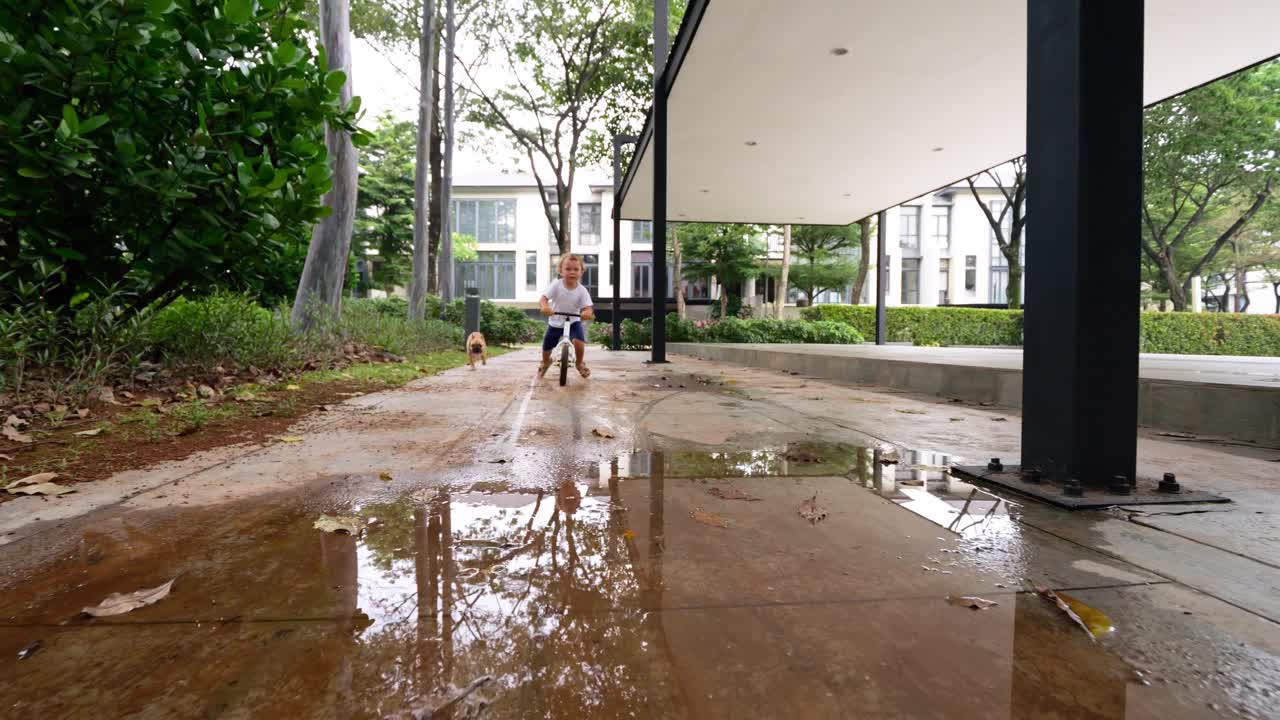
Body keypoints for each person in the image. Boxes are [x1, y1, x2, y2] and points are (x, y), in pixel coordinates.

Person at [539, 254, 594, 379]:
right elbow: (543, 299)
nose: (572, 272)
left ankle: (579, 363)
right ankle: (546, 362)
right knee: (547, 346)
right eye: (568, 269)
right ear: (560, 271)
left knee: (579, 342)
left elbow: (588, 307)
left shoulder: (582, 290)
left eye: (576, 269)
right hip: (556, 321)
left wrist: (587, 312)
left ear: (582, 272)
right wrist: (545, 307)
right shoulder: (556, 285)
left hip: (573, 321)